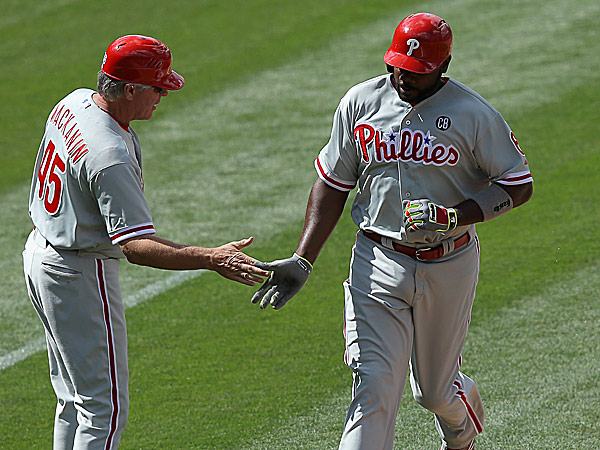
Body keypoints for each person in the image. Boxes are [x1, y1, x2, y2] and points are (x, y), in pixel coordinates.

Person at [251, 12, 533, 450]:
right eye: (399, 65)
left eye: (418, 72)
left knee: (434, 391)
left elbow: (517, 185)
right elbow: (333, 181)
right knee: (374, 386)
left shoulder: (472, 114)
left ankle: (460, 431)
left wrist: (453, 217)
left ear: (444, 66)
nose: (404, 77)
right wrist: (303, 257)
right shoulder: (360, 102)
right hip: (377, 260)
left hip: (449, 263)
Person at [22, 34, 268, 450]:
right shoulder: (109, 153)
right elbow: (135, 246)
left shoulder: (73, 101)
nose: (163, 95)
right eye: (158, 87)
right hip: (78, 273)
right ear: (131, 88)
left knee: (73, 400)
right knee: (104, 411)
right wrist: (211, 258)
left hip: (39, 253)